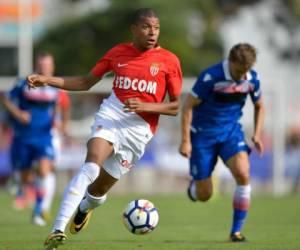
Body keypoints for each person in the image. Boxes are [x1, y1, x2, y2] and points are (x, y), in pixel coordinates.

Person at [27, 8, 182, 250]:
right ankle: (57, 229)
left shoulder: (169, 61)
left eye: (156, 27)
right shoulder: (117, 53)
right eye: (146, 27)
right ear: (134, 29)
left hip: (140, 130)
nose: (152, 32)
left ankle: (85, 206)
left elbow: (175, 106)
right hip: (112, 115)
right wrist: (49, 80)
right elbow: (85, 82)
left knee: (99, 189)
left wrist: (144, 105)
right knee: (91, 164)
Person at [179, 43, 265, 242]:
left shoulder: (252, 78)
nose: (243, 75)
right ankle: (195, 187)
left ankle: (236, 231)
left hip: (231, 133)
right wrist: (185, 141)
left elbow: (260, 105)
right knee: (205, 195)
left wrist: (258, 134)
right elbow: (188, 106)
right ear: (231, 61)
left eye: (246, 71)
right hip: (202, 135)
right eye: (239, 70)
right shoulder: (211, 76)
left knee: (244, 174)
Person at [2, 52, 60, 226]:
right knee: (26, 177)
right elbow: (5, 98)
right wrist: (18, 114)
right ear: (37, 65)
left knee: (44, 170)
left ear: (53, 67)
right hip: (23, 137)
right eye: (42, 65)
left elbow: (56, 107)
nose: (45, 68)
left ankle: (39, 210)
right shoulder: (24, 82)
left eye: (48, 65)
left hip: (44, 137)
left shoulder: (54, 87)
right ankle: (21, 187)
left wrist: (57, 123)